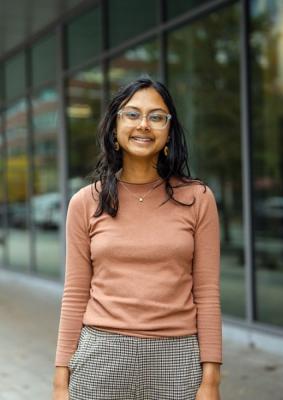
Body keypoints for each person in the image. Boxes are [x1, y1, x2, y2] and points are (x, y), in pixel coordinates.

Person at [52, 77, 222, 400]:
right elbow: (74, 294)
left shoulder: (198, 199)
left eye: (156, 117)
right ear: (115, 126)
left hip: (177, 360)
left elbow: (208, 293)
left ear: (169, 131)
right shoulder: (85, 203)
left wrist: (211, 378)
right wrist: (60, 381)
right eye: (132, 114)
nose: (144, 125)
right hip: (100, 359)